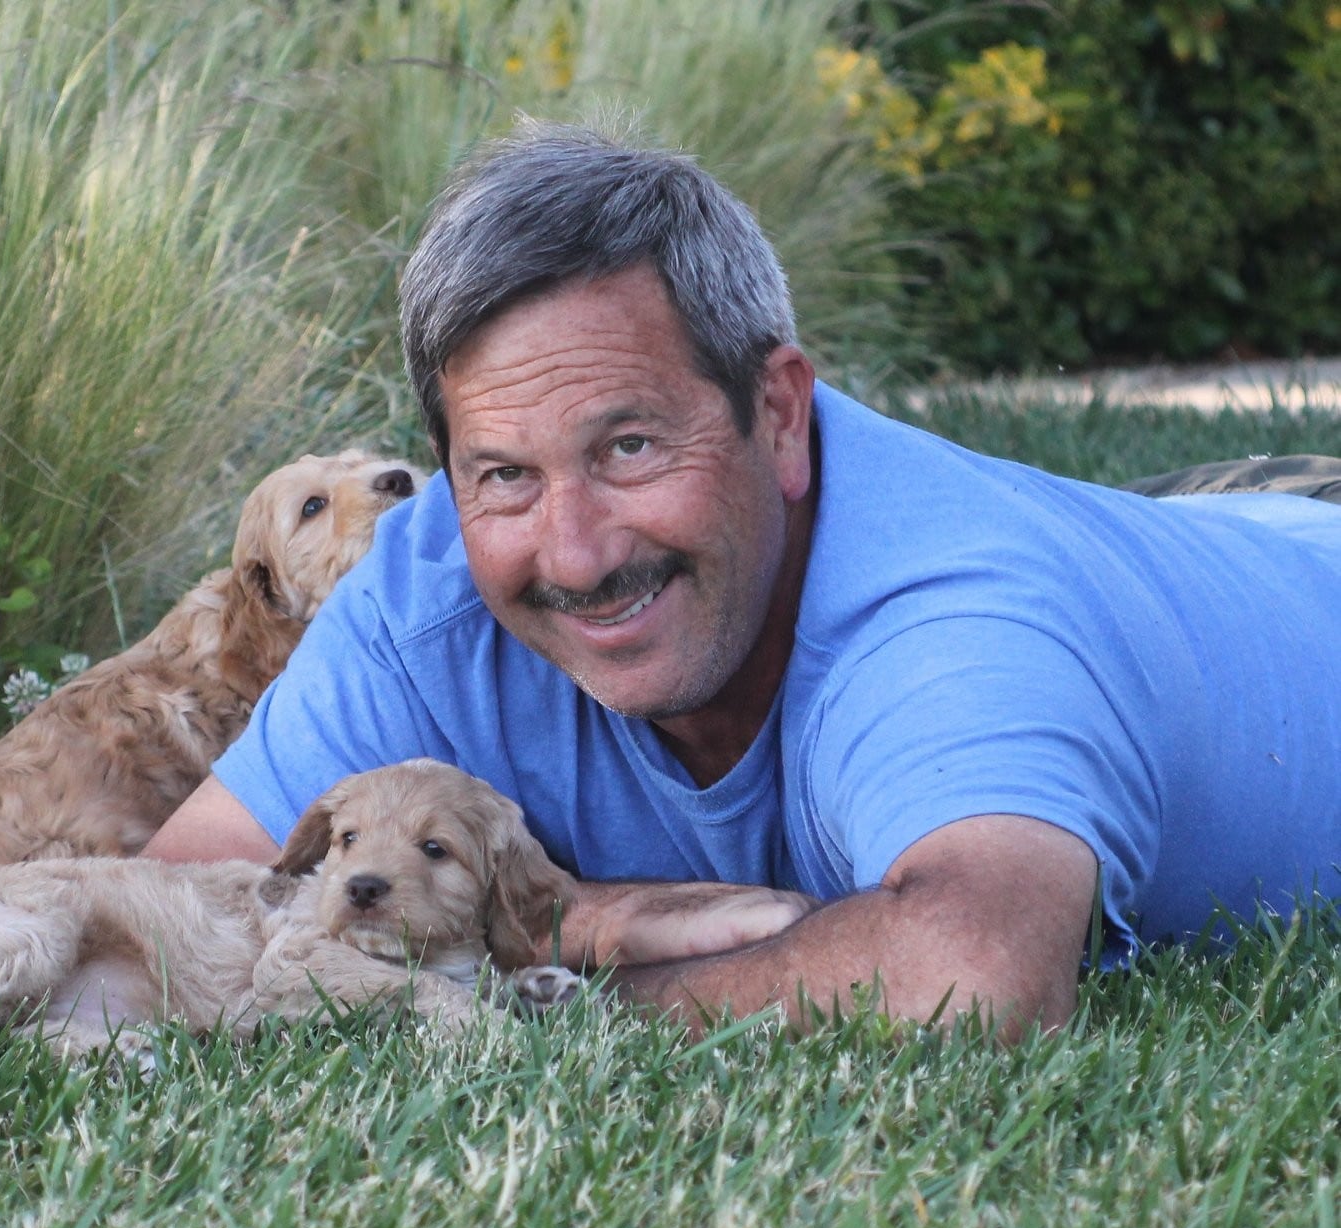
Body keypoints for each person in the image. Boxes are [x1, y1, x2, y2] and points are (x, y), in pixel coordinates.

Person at [144, 122, 1341, 1039]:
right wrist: (573, 921)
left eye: (629, 448)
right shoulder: (429, 595)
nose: (575, 553)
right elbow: (179, 898)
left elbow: (970, 976)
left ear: (777, 413)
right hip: (1164, 541)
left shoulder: (944, 607)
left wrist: (542, 997)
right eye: (504, 472)